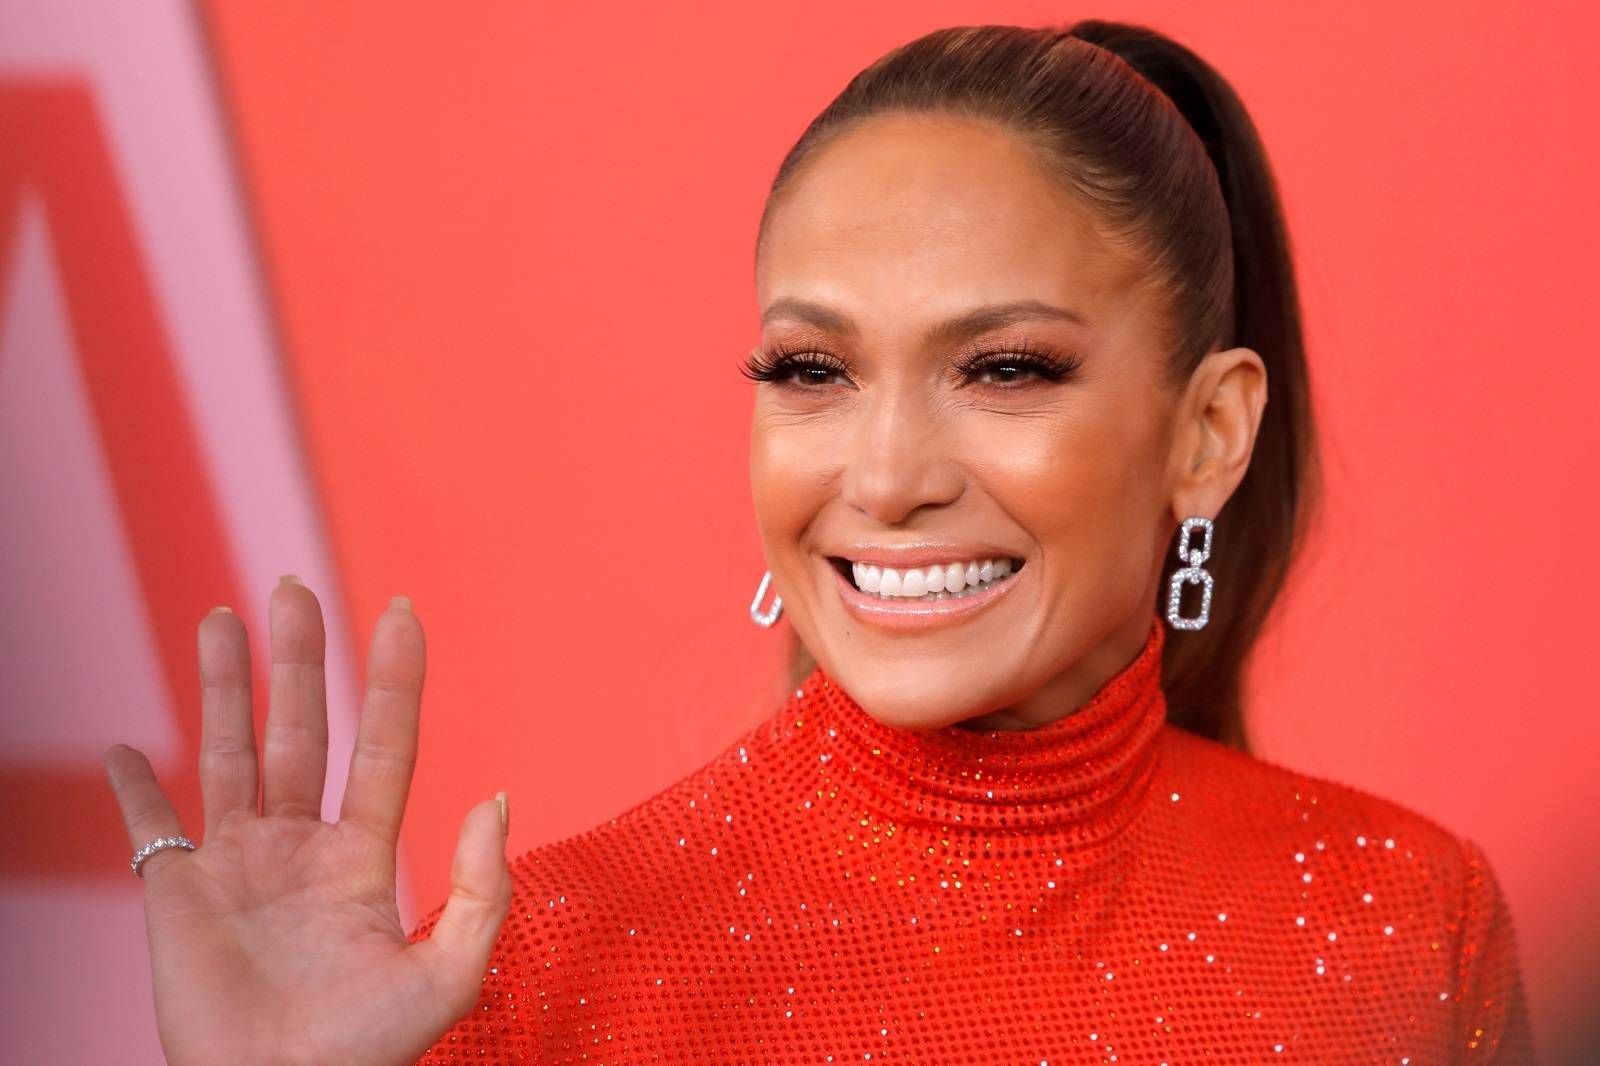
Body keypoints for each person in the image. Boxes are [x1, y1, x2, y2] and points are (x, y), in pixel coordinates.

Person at [104, 19, 1535, 1064]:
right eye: (812, 371)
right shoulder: (545, 960)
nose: (889, 475)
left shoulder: (1407, 915)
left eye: (1006, 368)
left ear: (1208, 433)